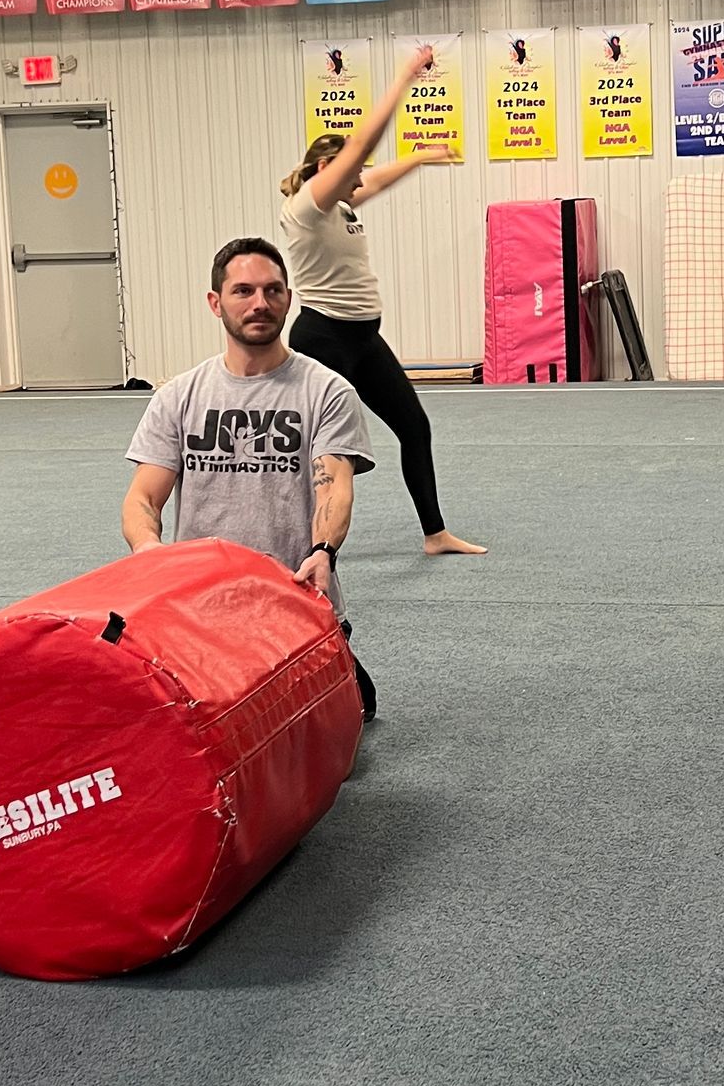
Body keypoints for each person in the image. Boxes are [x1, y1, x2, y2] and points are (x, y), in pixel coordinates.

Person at [121, 238, 378, 718]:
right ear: (215, 303)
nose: (260, 304)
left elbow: (334, 484)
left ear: (288, 299)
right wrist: (147, 552)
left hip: (294, 599)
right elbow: (142, 498)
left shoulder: (327, 391)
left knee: (330, 723)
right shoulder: (179, 396)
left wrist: (323, 552)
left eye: (273, 291)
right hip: (201, 608)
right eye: (243, 291)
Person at [278, 43, 486, 557]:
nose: (362, 175)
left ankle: (435, 534)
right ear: (328, 166)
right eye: (354, 167)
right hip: (323, 337)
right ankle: (306, 545)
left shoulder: (341, 204)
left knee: (414, 427)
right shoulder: (308, 206)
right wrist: (403, 78)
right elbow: (365, 142)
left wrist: (419, 155)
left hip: (363, 339)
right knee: (325, 450)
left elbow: (376, 176)